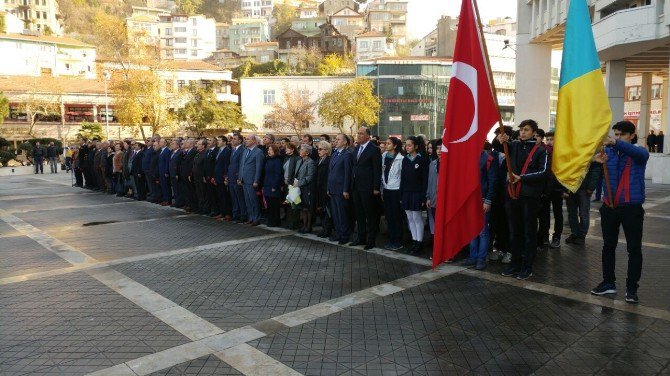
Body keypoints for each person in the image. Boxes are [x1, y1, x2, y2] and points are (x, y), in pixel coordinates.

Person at [591, 121, 649, 304]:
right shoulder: (607, 153)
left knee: (634, 249)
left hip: (631, 208)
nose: (617, 138)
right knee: (608, 246)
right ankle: (608, 282)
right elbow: (589, 169)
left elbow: (639, 154)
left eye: (622, 134)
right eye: (615, 134)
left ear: (632, 136)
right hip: (610, 207)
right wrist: (594, 161)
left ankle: (632, 288)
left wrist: (616, 143)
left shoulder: (639, 152)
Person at [498, 119, 549, 280]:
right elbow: (500, 145)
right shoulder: (513, 145)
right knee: (514, 232)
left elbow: (544, 172)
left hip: (529, 196)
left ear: (534, 132)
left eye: (526, 130)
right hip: (512, 195)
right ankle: (515, 263)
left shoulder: (541, 150)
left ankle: (527, 266)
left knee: (529, 232)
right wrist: (501, 139)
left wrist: (522, 178)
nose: (522, 132)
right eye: (521, 129)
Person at [460, 147, 498, 270]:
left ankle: (481, 258)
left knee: (482, 231)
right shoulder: (467, 158)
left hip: (482, 199)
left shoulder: (488, 158)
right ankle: (473, 256)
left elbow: (492, 181)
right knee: (472, 230)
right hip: (470, 199)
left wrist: (488, 200)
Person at [351, 127, 382, 250]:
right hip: (356, 187)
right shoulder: (357, 148)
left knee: (370, 214)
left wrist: (376, 187)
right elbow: (355, 167)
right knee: (359, 214)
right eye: (358, 133)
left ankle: (371, 240)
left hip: (368, 187)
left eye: (361, 134)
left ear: (368, 136)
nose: (358, 136)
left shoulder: (374, 150)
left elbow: (377, 170)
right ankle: (360, 237)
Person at [399, 136, 429, 255]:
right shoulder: (405, 160)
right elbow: (403, 178)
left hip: (417, 192)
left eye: (410, 145)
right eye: (406, 145)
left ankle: (419, 243)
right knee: (410, 218)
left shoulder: (422, 160)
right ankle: (414, 241)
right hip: (406, 192)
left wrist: (423, 196)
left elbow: (424, 180)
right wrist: (401, 194)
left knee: (417, 218)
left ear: (416, 146)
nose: (407, 147)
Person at [564, 162, 602, 245]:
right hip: (570, 187)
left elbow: (595, 169)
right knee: (572, 213)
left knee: (583, 214)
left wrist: (591, 187)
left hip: (583, 188)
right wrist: (564, 188)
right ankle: (574, 233)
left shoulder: (588, 150)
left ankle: (581, 236)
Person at [328, 134, 353, 245]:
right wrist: (328, 187)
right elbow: (330, 172)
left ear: (345, 142)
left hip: (341, 189)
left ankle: (344, 235)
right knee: (335, 213)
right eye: (335, 139)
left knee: (342, 213)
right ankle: (338, 233)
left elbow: (348, 173)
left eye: (338, 139)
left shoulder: (347, 155)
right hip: (333, 189)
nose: (335, 141)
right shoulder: (334, 154)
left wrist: (346, 189)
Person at [542, 131, 564, 249]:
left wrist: (565, 189)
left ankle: (556, 237)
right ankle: (545, 236)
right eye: (548, 139)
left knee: (558, 214)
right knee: (544, 214)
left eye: (552, 139)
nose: (549, 142)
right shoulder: (544, 152)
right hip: (545, 189)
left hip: (557, 189)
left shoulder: (561, 154)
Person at [381, 137, 404, 251]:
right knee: (389, 216)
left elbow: (402, 177)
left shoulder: (401, 158)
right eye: (386, 143)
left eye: (389, 143)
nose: (386, 145)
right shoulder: (384, 156)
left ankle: (398, 241)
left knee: (396, 216)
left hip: (396, 190)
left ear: (395, 146)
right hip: (386, 189)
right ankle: (391, 239)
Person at [239, 134, 264, 226]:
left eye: (248, 139)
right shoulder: (245, 151)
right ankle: (251, 217)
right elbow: (242, 165)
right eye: (245, 139)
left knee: (254, 200)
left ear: (254, 141)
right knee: (247, 200)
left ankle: (256, 218)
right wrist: (240, 178)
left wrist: (256, 180)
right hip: (244, 180)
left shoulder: (258, 152)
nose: (245, 141)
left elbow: (259, 168)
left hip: (252, 180)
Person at [313, 141, 332, 238]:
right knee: (320, 210)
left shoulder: (329, 161)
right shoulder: (318, 161)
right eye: (317, 149)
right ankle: (324, 229)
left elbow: (328, 177)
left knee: (326, 210)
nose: (318, 151)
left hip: (324, 190)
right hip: (317, 189)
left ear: (327, 150)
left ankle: (327, 230)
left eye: (320, 149)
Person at [262, 144, 284, 227]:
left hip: (273, 186)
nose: (269, 151)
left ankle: (275, 221)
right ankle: (270, 220)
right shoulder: (268, 160)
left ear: (275, 151)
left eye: (271, 150)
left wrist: (274, 186)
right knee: (269, 204)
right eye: (268, 150)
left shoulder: (277, 161)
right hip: (267, 184)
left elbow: (278, 174)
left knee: (274, 205)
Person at [228, 134, 247, 223]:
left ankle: (242, 215)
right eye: (232, 139)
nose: (233, 140)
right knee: (234, 197)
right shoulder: (233, 150)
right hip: (231, 177)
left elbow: (241, 165)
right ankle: (236, 214)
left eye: (235, 139)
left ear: (240, 141)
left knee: (240, 198)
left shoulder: (242, 150)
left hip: (236, 177)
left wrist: (239, 177)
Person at [282, 142, 301, 230]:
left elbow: (296, 172)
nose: (286, 149)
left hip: (293, 185)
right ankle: (289, 222)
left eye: (287, 148)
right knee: (288, 203)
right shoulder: (286, 158)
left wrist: (293, 183)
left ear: (293, 149)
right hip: (286, 184)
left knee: (294, 204)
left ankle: (294, 223)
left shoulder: (296, 158)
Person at [213, 136, 232, 221]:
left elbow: (226, 165)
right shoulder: (218, 151)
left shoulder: (227, 151)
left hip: (223, 177)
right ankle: (222, 212)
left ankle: (228, 213)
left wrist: (225, 177)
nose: (218, 142)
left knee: (225, 196)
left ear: (224, 142)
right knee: (219, 195)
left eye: (219, 140)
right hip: (217, 176)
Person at [180, 139, 198, 211]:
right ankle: (189, 204)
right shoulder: (187, 151)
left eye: (187, 142)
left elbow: (191, 164)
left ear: (191, 144)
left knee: (191, 191)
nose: (185, 143)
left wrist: (190, 174)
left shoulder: (193, 152)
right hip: (184, 174)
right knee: (187, 190)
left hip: (189, 174)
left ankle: (194, 206)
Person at [204, 137, 219, 216]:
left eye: (210, 140)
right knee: (210, 194)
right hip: (207, 176)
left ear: (215, 142)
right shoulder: (208, 151)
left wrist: (213, 176)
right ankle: (211, 209)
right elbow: (205, 164)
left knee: (215, 195)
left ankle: (215, 210)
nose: (208, 142)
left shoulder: (217, 151)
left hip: (213, 176)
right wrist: (204, 175)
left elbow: (215, 165)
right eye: (208, 140)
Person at [169, 139, 184, 208]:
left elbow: (179, 164)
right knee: (174, 188)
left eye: (173, 144)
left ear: (178, 145)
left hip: (176, 174)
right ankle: (176, 201)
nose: (171, 145)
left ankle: (179, 202)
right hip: (172, 173)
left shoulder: (180, 152)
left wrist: (177, 173)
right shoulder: (172, 152)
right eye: (171, 144)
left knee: (178, 189)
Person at [158, 138, 172, 206]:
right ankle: (165, 199)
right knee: (163, 186)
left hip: (164, 172)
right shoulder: (161, 150)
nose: (160, 143)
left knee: (166, 186)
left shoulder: (167, 151)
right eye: (160, 142)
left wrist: (166, 171)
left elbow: (167, 162)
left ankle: (168, 200)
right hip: (161, 171)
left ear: (165, 143)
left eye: (161, 142)